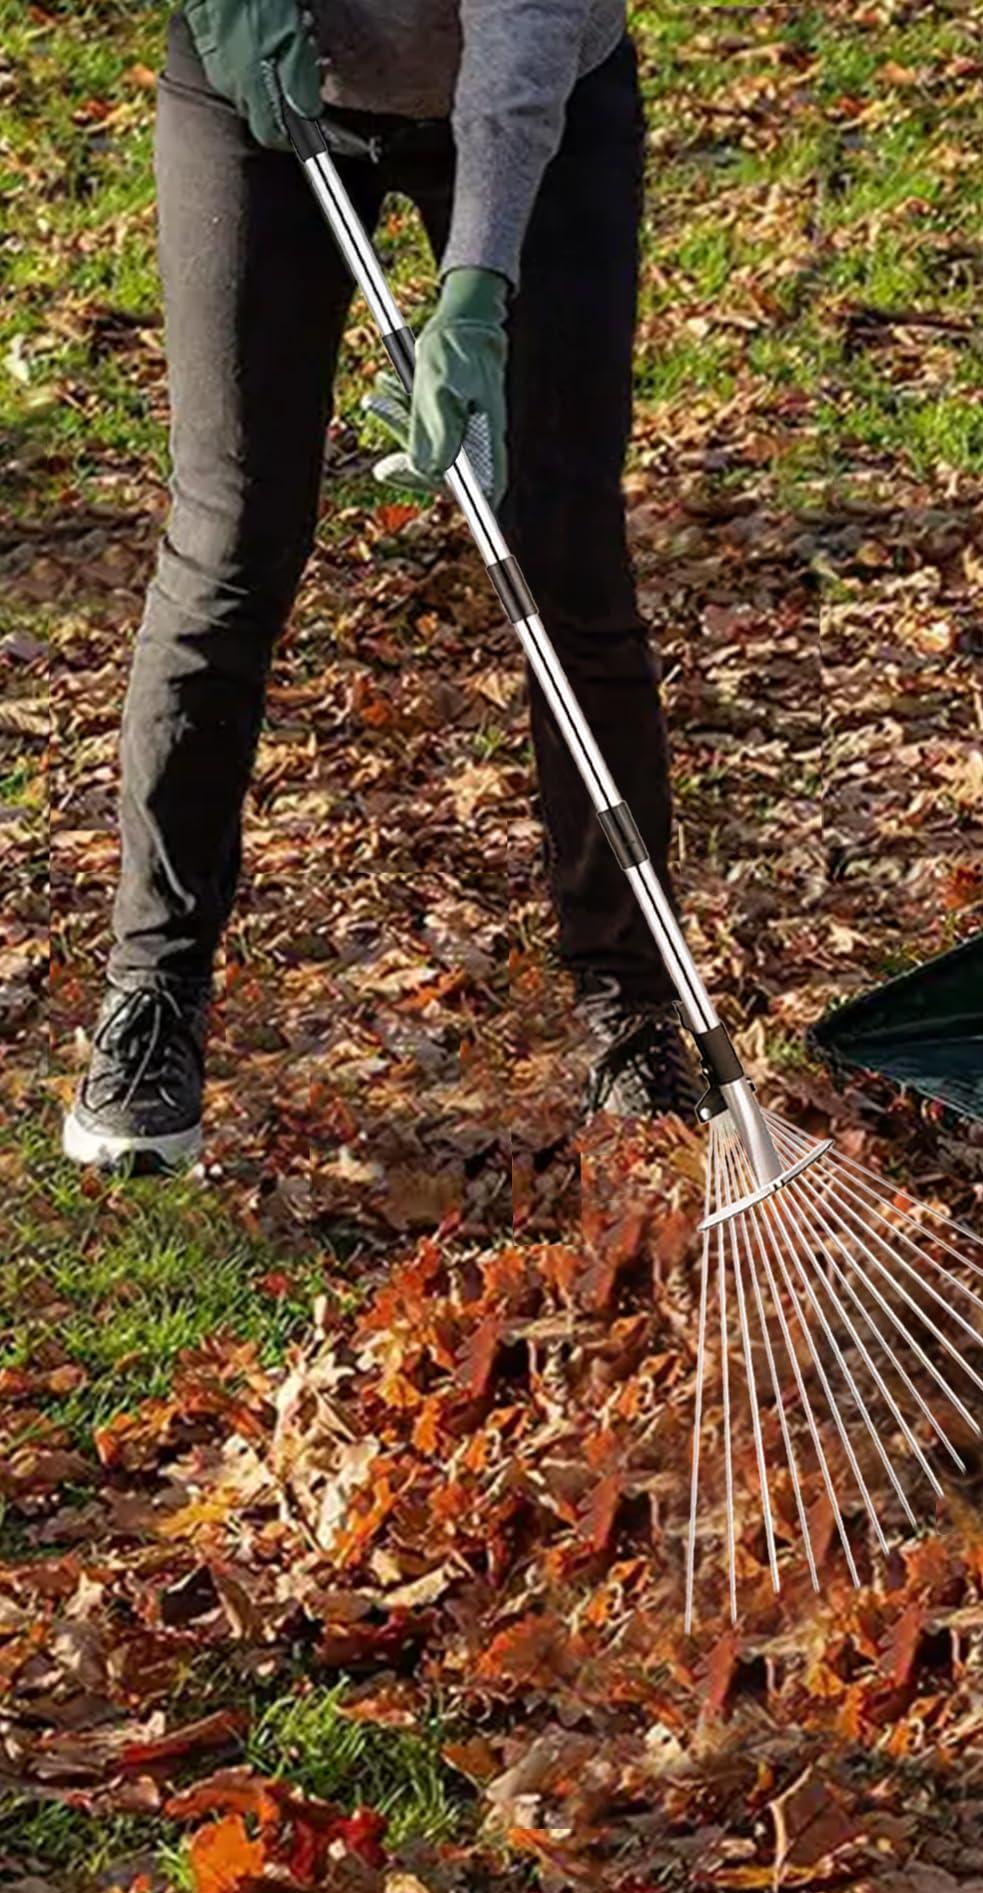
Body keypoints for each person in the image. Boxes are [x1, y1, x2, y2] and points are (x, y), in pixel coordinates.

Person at [63, 0, 697, 1171]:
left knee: (561, 544)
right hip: (254, 80)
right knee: (232, 535)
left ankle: (636, 1005)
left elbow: (528, 23)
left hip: (535, 92)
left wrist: (476, 293)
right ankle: (150, 992)